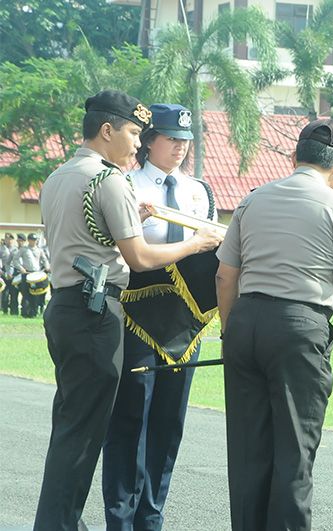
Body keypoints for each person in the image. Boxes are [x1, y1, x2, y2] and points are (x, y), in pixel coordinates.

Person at [34, 90, 222, 531]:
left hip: (65, 305)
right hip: (98, 312)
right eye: (134, 132)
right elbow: (137, 258)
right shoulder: (111, 180)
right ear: (107, 130)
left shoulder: (59, 175)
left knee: (72, 429)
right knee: (88, 436)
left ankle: (63, 522)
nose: (137, 143)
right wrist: (195, 244)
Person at [215, 118, 333, 531]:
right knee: (294, 454)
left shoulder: (252, 199)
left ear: (295, 157)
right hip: (298, 327)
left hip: (244, 322)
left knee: (248, 453)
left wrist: (231, 333)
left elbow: (225, 276)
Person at [103, 103, 217, 530]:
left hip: (185, 325)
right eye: (171, 139)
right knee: (130, 418)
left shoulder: (198, 192)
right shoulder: (124, 185)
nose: (180, 148)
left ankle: (151, 517)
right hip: (136, 317)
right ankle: (120, 517)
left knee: (169, 424)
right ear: (148, 141)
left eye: (185, 140)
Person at [13, 233, 50, 317]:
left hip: (36, 275)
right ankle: (25, 313)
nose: (33, 242)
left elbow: (45, 260)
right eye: (32, 240)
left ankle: (34, 313)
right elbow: (15, 259)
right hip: (26, 273)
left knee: (35, 294)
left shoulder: (39, 250)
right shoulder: (24, 249)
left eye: (35, 240)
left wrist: (47, 267)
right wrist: (21, 268)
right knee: (26, 294)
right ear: (29, 240)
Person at [1, 232, 16, 314]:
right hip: (4, 272)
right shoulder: (1, 249)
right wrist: (2, 273)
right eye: (7, 239)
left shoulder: (16, 249)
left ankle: (14, 311)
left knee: (14, 293)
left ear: (12, 240)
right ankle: (5, 310)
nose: (8, 240)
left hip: (14, 273)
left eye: (10, 239)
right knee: (5, 293)